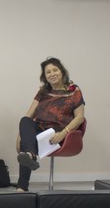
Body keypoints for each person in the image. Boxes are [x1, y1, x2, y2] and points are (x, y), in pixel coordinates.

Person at [16, 57, 85, 192]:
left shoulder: (74, 90)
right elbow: (28, 116)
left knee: (27, 144)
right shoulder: (43, 92)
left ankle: (21, 188)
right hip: (39, 129)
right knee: (24, 121)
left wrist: (63, 133)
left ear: (62, 72)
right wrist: (20, 135)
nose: (52, 74)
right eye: (48, 72)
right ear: (45, 76)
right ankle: (30, 155)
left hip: (58, 131)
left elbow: (80, 118)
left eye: (55, 70)